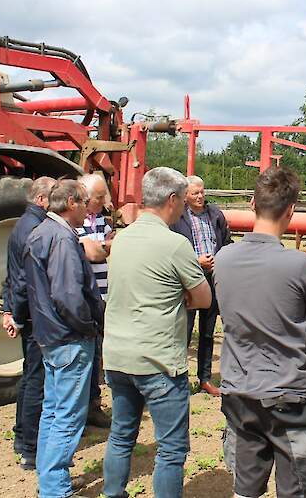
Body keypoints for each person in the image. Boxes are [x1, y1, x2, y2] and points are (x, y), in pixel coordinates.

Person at [214, 167, 306, 498]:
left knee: (245, 489)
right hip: (289, 394)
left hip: (238, 392)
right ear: (291, 210)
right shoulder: (299, 265)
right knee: (300, 489)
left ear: (251, 203)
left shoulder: (224, 258)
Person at [101, 167, 212, 498]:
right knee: (171, 450)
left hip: (118, 357)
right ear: (172, 199)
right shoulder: (175, 244)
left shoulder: (120, 240)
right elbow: (203, 298)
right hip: (159, 360)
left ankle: (113, 492)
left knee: (121, 435)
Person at [24, 179, 104, 498]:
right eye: (85, 202)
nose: (88, 209)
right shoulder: (62, 238)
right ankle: (55, 489)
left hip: (49, 336)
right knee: (68, 416)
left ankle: (50, 480)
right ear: (71, 203)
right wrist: (88, 326)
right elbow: (68, 294)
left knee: (54, 411)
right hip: (70, 337)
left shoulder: (40, 232)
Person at [1, 176, 55, 471]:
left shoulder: (21, 224)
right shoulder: (36, 229)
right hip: (36, 317)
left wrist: (9, 310)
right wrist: (18, 317)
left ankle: (22, 436)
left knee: (29, 377)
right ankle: (31, 449)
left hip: (27, 313)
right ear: (41, 200)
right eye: (53, 197)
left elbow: (12, 275)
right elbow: (23, 279)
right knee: (37, 380)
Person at [170, 175, 232, 397]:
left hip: (212, 279)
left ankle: (204, 378)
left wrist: (221, 261)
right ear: (185, 195)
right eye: (195, 193)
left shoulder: (215, 214)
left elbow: (226, 242)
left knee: (207, 332)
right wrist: (196, 262)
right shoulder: (178, 218)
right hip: (187, 280)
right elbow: (171, 249)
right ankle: (179, 379)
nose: (200, 196)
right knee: (183, 331)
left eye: (202, 192)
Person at [76, 172, 114, 428]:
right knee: (85, 355)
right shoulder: (75, 222)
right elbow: (94, 253)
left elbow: (105, 246)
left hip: (102, 295)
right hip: (84, 298)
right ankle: (83, 408)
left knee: (96, 352)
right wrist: (104, 248)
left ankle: (93, 404)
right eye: (99, 197)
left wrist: (103, 247)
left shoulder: (100, 219)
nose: (103, 201)